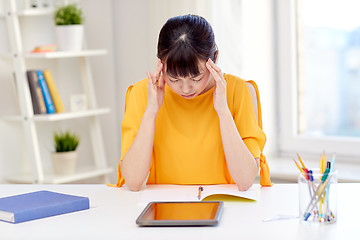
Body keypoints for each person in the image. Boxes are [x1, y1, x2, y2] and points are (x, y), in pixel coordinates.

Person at [115, 14, 271, 191]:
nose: (186, 88)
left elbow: (244, 181)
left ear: (215, 58)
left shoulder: (239, 91)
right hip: (161, 206)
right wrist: (151, 112)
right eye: (174, 78)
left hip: (226, 205)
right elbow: (133, 182)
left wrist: (222, 110)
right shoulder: (142, 93)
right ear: (160, 63)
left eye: (196, 77)